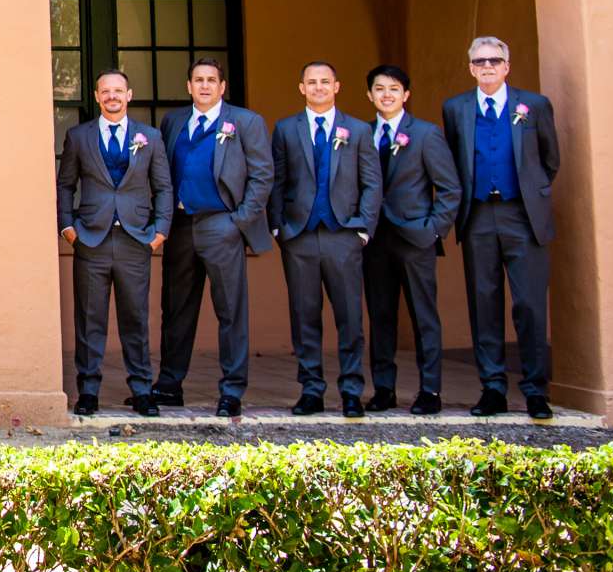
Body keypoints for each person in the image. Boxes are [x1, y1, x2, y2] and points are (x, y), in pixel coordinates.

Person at [442, 35, 559, 421]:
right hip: (478, 216)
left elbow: (550, 160)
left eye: (494, 60)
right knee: (484, 302)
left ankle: (535, 390)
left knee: (529, 304)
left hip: (521, 215)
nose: (487, 67)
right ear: (470, 67)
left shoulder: (534, 106)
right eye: (479, 61)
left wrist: (532, 195)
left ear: (507, 66)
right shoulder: (456, 108)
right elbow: (456, 158)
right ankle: (492, 387)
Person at [154, 59, 272, 418]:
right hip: (181, 225)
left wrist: (238, 222)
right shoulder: (173, 122)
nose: (204, 86)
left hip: (222, 224)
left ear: (222, 87)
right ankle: (170, 385)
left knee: (230, 310)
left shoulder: (245, 122)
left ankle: (231, 390)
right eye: (198, 80)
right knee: (176, 309)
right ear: (189, 86)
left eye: (211, 80)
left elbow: (262, 176)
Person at [270, 60, 382, 418]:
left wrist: (362, 227)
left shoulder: (358, 131)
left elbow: (371, 181)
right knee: (304, 316)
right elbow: (276, 181)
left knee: (349, 315)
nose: (318, 87)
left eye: (325, 82)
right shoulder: (286, 129)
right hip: (299, 236)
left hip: (343, 235)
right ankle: (312, 389)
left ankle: (351, 390)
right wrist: (278, 227)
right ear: (301, 88)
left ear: (337, 87)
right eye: (311, 82)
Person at [55, 69, 170, 417]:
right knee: (90, 319)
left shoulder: (149, 137)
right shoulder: (79, 137)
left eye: (118, 91)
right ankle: (88, 391)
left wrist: (160, 231)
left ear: (129, 95)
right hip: (91, 239)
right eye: (105, 91)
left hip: (136, 240)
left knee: (136, 318)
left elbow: (164, 187)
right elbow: (66, 185)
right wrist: (68, 228)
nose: (112, 97)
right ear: (96, 96)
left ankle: (141, 389)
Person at [362, 64, 460, 416]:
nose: (386, 94)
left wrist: (433, 228)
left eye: (393, 89)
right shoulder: (362, 133)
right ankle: (384, 389)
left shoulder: (425, 134)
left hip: (415, 237)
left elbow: (449, 188)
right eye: (379, 88)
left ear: (406, 94)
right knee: (380, 315)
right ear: (369, 94)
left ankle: (430, 389)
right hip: (375, 240)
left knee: (423, 315)